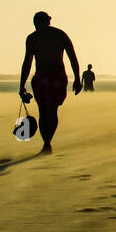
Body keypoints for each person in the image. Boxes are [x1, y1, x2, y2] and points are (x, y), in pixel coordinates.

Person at [19, 10, 80, 154]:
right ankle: (47, 142)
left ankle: (47, 142)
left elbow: (27, 64)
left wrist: (22, 85)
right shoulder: (57, 35)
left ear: (42, 22)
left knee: (47, 111)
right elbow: (73, 58)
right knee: (48, 111)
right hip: (51, 77)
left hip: (48, 77)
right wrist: (77, 78)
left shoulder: (37, 37)